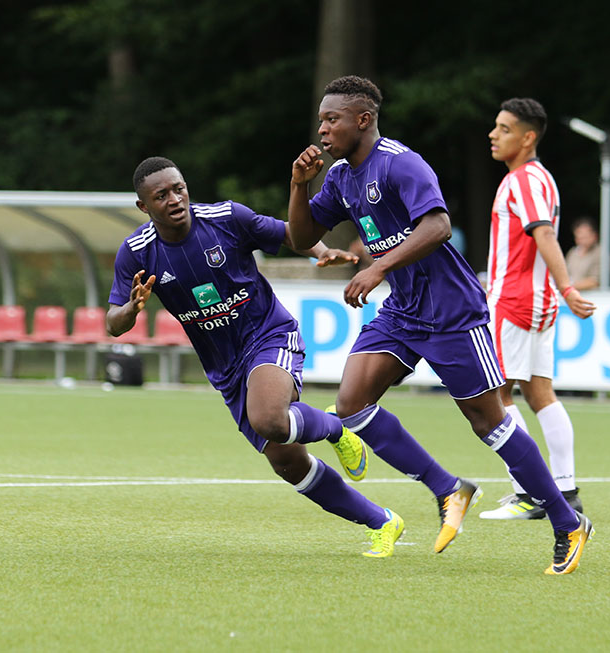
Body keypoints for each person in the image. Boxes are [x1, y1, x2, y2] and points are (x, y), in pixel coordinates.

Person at [288, 75, 593, 575]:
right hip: (404, 308)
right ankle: (448, 487)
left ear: (363, 119)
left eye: (331, 119)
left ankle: (567, 521)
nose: (322, 128)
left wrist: (379, 266)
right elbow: (302, 236)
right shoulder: (341, 176)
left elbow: (438, 225)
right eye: (321, 119)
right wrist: (300, 186)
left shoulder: (400, 162)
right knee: (351, 404)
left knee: (489, 422)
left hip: (451, 308)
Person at [107, 156, 405, 558]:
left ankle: (336, 429)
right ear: (144, 207)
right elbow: (114, 324)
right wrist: (131, 308)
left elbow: (289, 233)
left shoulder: (226, 218)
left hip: (269, 334)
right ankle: (383, 522)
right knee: (287, 462)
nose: (175, 199)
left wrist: (319, 250)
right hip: (225, 368)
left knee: (268, 418)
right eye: (161, 196)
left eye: (178, 188)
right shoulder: (137, 253)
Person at [478, 98, 596, 521]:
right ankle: (565, 490)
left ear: (528, 138)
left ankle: (531, 494)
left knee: (495, 396)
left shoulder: (523, 180)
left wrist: (567, 286)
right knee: (539, 393)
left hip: (513, 301)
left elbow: (543, 233)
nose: (494, 134)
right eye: (495, 126)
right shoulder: (542, 177)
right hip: (538, 300)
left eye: (504, 128)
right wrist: (559, 291)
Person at [565, 217, 601, 292]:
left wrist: (567, 287)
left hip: (595, 298)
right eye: (579, 238)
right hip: (571, 296)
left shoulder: (601, 253)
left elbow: (595, 281)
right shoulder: (572, 252)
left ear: (594, 236)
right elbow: (565, 274)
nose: (581, 241)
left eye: (585, 237)